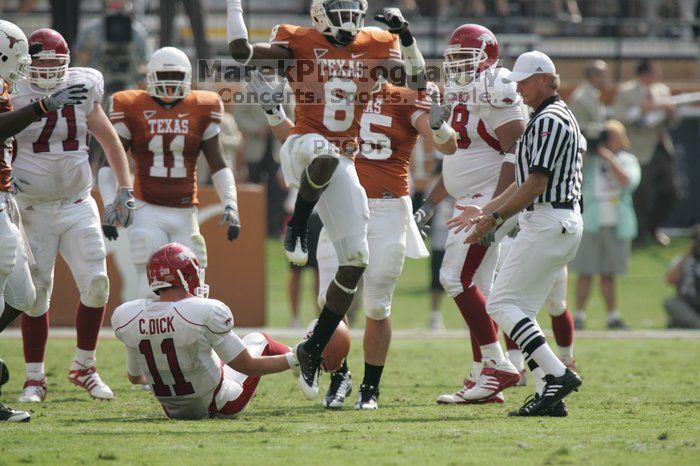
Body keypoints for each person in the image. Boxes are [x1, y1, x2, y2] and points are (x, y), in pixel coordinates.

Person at [227, 0, 429, 399]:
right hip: (303, 144)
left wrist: (406, 36)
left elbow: (418, 80)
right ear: (321, 14)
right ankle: (297, 226)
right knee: (322, 154)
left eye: (355, 11)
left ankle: (312, 347)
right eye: (341, 11)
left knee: (356, 261)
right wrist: (235, 6)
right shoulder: (300, 41)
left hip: (343, 160)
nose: (349, 19)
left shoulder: (374, 44)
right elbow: (240, 52)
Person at [249, 68, 457, 409]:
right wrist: (275, 113)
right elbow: (299, 143)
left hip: (388, 207)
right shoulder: (334, 95)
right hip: (340, 206)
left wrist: (439, 125)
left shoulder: (404, 97)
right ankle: (340, 375)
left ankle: (370, 387)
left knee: (377, 304)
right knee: (328, 300)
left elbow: (445, 146)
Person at [450, 50, 585, 416]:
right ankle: (548, 393)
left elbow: (535, 184)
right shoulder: (548, 116)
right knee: (521, 308)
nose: (519, 89)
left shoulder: (548, 120)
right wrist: (486, 209)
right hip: (553, 221)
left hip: (547, 220)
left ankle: (557, 374)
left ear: (544, 79)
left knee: (500, 304)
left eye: (524, 82)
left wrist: (493, 217)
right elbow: (526, 181)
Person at [11, 28, 135, 402]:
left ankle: (85, 366)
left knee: (97, 283)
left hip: (78, 202)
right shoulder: (11, 89)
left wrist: (125, 189)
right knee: (36, 294)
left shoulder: (83, 86)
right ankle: (34, 378)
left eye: (56, 63)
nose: (48, 70)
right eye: (41, 62)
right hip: (31, 207)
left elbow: (108, 137)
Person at [413, 24, 526, 405]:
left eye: (466, 57)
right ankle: (486, 374)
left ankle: (498, 365)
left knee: (453, 277)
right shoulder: (461, 90)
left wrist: (494, 209)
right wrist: (430, 201)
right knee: (482, 288)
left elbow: (515, 153)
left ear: (488, 56)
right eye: (454, 58)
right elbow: (457, 155)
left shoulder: (498, 84)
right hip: (469, 198)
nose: (459, 64)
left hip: (489, 200)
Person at [0, 19, 88, 422]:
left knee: (24, 295)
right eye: (20, 58)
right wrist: (41, 107)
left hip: (6, 201)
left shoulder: (4, 87)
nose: (24, 67)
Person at [101, 46, 242, 299]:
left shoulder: (203, 106)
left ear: (187, 77)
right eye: (164, 76)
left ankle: (189, 337)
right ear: (150, 77)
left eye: (176, 77)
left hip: (186, 210)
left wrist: (231, 203)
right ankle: (147, 337)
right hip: (146, 208)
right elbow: (109, 161)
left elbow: (218, 162)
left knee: (195, 287)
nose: (169, 84)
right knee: (151, 285)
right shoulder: (131, 105)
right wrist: (110, 204)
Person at [111, 242, 298, 420]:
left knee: (216, 355)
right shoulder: (203, 311)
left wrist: (166, 375)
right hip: (221, 404)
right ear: (187, 276)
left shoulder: (129, 315)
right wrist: (297, 358)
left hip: (173, 411)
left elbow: (135, 378)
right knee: (258, 339)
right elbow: (246, 366)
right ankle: (303, 362)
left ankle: (301, 365)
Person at [570, 120, 641, 330]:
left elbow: (628, 183)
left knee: (609, 272)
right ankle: (579, 315)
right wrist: (586, 151)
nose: (607, 139)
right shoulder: (589, 159)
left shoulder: (627, 159)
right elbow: (575, 177)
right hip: (591, 220)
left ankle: (612, 316)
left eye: (611, 135)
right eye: (605, 135)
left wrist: (609, 157)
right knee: (585, 271)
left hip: (617, 222)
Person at [613, 59, 678, 247]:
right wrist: (643, 110)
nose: (659, 76)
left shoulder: (662, 91)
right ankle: (639, 234)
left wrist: (670, 111)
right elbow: (619, 117)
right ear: (644, 74)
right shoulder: (626, 92)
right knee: (640, 194)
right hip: (639, 149)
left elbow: (672, 122)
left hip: (662, 147)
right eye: (655, 72)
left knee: (671, 190)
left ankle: (653, 227)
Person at [664, 226, 700, 329]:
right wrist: (688, 254)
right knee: (670, 303)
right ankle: (697, 324)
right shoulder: (682, 260)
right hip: (687, 303)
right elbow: (670, 280)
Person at [568, 60, 610, 143]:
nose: (608, 78)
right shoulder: (581, 97)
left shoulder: (594, 94)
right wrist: (605, 130)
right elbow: (577, 127)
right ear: (594, 76)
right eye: (605, 75)